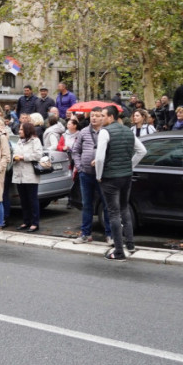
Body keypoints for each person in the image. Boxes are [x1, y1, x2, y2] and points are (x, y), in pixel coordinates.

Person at [95, 105, 147, 261]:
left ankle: (118, 251)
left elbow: (99, 158)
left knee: (113, 213)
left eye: (102, 116)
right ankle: (130, 244)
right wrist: (129, 165)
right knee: (124, 209)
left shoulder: (105, 132)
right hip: (126, 176)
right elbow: (142, 151)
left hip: (110, 177)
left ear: (111, 117)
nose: (100, 118)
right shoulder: (128, 130)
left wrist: (99, 175)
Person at [71, 108, 112, 244]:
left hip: (103, 175)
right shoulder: (83, 132)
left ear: (102, 118)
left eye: (97, 116)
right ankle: (85, 234)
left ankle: (109, 234)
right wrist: (79, 166)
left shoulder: (107, 132)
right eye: (92, 116)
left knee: (106, 204)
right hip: (86, 174)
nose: (94, 118)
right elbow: (75, 151)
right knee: (87, 204)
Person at [10, 121, 43, 233]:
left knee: (32, 199)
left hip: (30, 174)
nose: (19, 131)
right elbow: (14, 152)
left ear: (27, 130)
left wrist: (23, 157)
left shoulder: (35, 140)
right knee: (23, 200)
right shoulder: (19, 141)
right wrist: (14, 157)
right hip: (19, 174)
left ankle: (35, 223)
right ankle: (26, 221)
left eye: (21, 129)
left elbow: (38, 155)